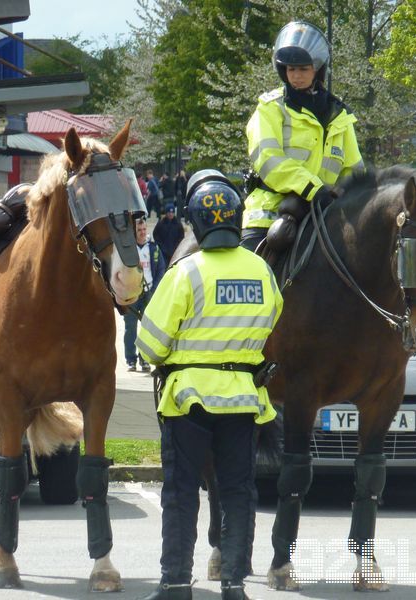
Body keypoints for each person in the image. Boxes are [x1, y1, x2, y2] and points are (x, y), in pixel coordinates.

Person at [135, 170, 283, 600]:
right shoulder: (262, 271)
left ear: (196, 223)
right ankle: (234, 583)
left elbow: (150, 346)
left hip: (188, 403)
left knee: (181, 492)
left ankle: (177, 582)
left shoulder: (186, 272)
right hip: (242, 400)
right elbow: (271, 324)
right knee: (238, 491)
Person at [240, 21, 365, 252]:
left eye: (303, 69)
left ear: (317, 69)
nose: (296, 76)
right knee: (246, 274)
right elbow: (268, 159)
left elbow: (354, 171)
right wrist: (314, 189)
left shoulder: (340, 116)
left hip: (326, 214)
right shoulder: (270, 108)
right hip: (270, 212)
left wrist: (350, 202)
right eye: (290, 69)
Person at [124, 218, 166, 372]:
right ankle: (130, 359)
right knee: (130, 327)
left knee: (147, 328)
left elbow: (161, 268)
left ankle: (144, 360)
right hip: (132, 293)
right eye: (139, 231)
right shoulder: (129, 250)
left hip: (148, 292)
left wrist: (154, 288)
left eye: (143, 230)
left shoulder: (153, 248)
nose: (142, 233)